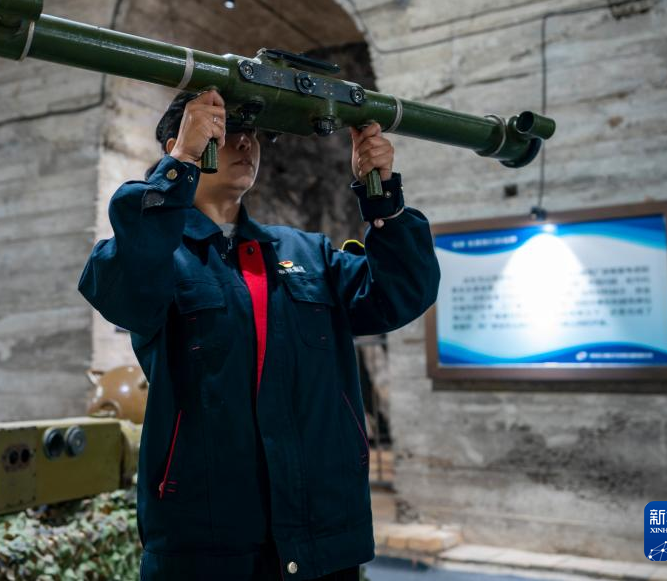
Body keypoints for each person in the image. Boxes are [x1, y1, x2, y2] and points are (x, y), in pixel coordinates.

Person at [78, 89, 440, 581]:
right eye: (226, 133)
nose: (245, 144)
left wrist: (383, 195)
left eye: (251, 134)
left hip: (324, 539)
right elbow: (124, 286)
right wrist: (180, 164)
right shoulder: (155, 255)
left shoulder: (306, 253)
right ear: (177, 143)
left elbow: (402, 292)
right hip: (209, 546)